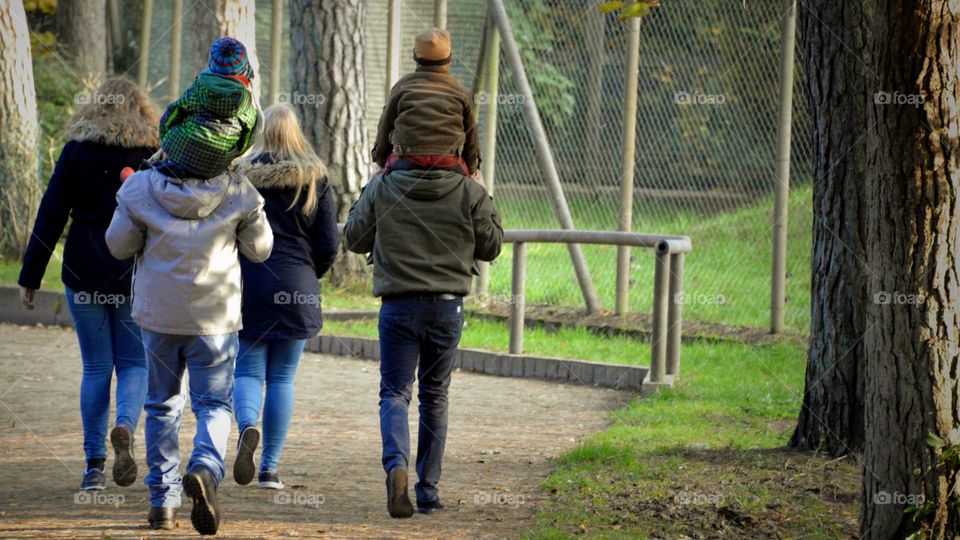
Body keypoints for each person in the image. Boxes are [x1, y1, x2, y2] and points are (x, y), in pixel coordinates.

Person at [105, 139, 273, 533]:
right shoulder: (238, 190)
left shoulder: (140, 186)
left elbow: (118, 246)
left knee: (162, 405)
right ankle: (205, 468)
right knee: (213, 403)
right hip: (214, 319)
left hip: (159, 318)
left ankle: (163, 502)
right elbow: (261, 250)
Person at [344, 142, 503, 518]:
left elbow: (354, 238)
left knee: (395, 393)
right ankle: (428, 491)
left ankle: (395, 465)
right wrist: (480, 189)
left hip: (398, 305)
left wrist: (371, 186)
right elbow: (492, 245)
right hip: (448, 306)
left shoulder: (385, 185)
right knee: (435, 396)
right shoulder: (468, 189)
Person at [18, 77, 158, 492]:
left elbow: (51, 214)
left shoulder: (77, 150)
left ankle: (94, 464)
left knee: (96, 367)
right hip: (133, 271)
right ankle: (126, 426)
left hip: (83, 271)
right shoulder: (151, 152)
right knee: (134, 364)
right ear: (140, 108)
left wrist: (30, 275)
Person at [229, 104, 339, 490]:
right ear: (296, 133)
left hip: (250, 285)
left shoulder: (240, 177)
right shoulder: (315, 178)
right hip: (298, 288)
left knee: (246, 370)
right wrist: (310, 276)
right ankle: (270, 469)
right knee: (283, 379)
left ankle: (246, 428)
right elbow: (328, 244)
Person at [371, 28, 480, 177]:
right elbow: (471, 135)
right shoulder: (460, 90)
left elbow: (385, 126)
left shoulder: (402, 86)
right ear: (450, 57)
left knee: (371, 188)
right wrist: (472, 168)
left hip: (406, 161)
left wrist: (380, 160)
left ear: (415, 56)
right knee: (480, 193)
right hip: (448, 162)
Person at [157, 36, 260, 180]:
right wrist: (231, 154)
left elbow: (172, 113)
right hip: (215, 166)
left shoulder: (198, 88)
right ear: (243, 67)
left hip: (179, 154)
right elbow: (247, 140)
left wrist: (165, 140)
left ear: (211, 63)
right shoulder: (247, 105)